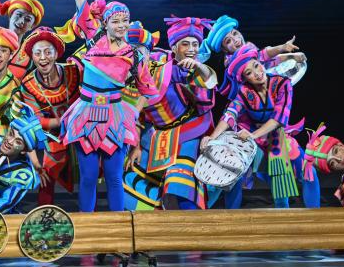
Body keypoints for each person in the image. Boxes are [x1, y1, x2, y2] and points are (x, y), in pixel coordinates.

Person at [60, 0, 158, 212]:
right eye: (116, 21)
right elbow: (81, 3)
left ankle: (119, 229)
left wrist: (134, 111)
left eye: (125, 21)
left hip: (115, 115)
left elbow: (148, 90)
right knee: (89, 177)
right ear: (105, 23)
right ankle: (86, 227)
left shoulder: (134, 55)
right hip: (86, 114)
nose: (122, 25)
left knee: (115, 177)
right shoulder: (93, 40)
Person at [202, 43, 318, 209]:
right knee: (234, 173)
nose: (257, 73)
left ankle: (315, 216)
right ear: (245, 78)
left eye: (256, 66)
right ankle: (230, 219)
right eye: (249, 73)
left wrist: (253, 135)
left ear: (261, 63)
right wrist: (212, 137)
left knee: (307, 171)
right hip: (253, 140)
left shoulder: (282, 83)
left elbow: (278, 119)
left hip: (276, 136)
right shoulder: (244, 92)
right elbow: (230, 113)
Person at [124, 16, 217, 210]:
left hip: (187, 131)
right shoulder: (125, 80)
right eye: (131, 51)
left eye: (194, 44)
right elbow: (137, 119)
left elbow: (207, 82)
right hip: (158, 135)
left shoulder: (165, 69)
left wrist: (199, 66)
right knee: (129, 177)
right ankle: (155, 223)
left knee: (179, 183)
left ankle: (187, 224)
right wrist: (136, 147)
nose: (136, 56)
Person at [9, 26, 80, 205]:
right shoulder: (29, 83)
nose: (43, 58)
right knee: (47, 174)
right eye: (38, 53)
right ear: (32, 57)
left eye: (48, 52)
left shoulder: (74, 72)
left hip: (82, 131)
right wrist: (60, 122)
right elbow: (34, 120)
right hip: (55, 136)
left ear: (56, 54)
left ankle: (94, 215)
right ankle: (43, 215)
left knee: (92, 172)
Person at [203, 14, 303, 97]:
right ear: (224, 49)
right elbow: (263, 55)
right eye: (228, 41)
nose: (236, 40)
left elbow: (267, 61)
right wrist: (284, 49)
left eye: (235, 33)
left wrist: (289, 56)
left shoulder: (248, 48)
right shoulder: (234, 63)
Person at [0, 0, 45, 79]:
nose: (21, 21)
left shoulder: (31, 53)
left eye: (28, 19)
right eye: (18, 15)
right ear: (10, 16)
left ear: (31, 27)